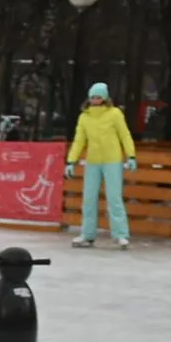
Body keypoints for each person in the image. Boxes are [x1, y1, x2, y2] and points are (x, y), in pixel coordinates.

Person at [65, 82, 137, 249]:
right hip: (93, 161)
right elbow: (79, 141)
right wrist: (71, 160)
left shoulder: (115, 114)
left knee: (114, 198)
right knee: (89, 199)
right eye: (92, 97)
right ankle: (87, 234)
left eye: (98, 97)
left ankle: (121, 235)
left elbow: (124, 135)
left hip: (112, 161)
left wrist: (131, 155)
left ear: (105, 98)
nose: (95, 100)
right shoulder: (85, 116)